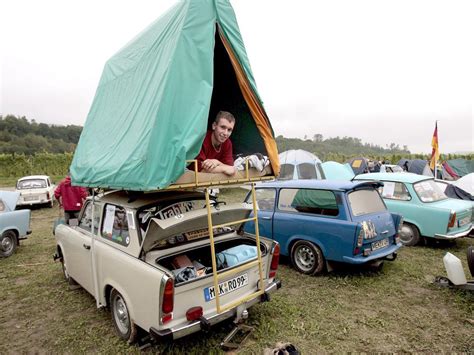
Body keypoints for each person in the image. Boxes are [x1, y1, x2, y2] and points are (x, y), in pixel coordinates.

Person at [195, 111, 236, 176]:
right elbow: (200, 170)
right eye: (223, 127)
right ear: (214, 126)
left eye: (229, 130)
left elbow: (230, 168)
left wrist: (216, 162)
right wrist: (224, 169)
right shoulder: (202, 139)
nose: (225, 133)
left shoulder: (227, 143)